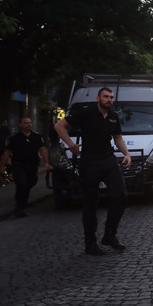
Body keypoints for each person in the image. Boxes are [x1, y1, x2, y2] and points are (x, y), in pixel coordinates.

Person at [53, 87, 132, 256]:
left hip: (109, 160)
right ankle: (90, 243)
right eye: (105, 96)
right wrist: (70, 145)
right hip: (90, 162)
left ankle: (109, 235)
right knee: (91, 202)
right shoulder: (85, 113)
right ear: (98, 98)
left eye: (111, 97)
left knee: (121, 196)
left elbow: (117, 137)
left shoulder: (113, 117)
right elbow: (59, 126)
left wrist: (126, 153)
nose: (109, 99)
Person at [0, 117, 51, 217]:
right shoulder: (15, 138)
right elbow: (7, 152)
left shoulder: (36, 137)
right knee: (21, 183)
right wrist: (2, 166)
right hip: (19, 165)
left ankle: (22, 203)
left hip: (32, 165)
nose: (29, 124)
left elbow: (42, 149)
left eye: (30, 123)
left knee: (30, 183)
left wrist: (46, 163)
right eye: (26, 123)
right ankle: (19, 206)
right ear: (20, 125)